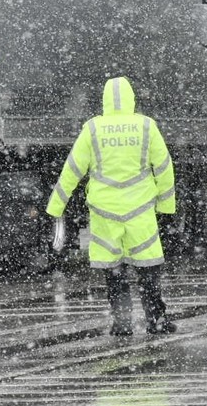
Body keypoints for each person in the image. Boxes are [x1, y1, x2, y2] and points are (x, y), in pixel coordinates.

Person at [46, 76, 178, 336]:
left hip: (105, 212)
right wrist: (166, 205)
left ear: (105, 101)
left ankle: (122, 323)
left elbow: (72, 169)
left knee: (114, 270)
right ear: (131, 99)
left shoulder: (93, 129)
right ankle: (156, 320)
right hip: (140, 210)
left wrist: (56, 206)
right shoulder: (146, 127)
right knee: (148, 267)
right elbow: (164, 168)